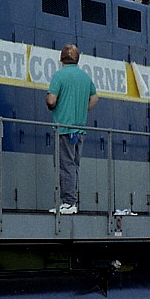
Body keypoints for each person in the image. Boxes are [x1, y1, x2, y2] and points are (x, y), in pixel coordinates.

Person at [46, 44, 98, 214]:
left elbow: (51, 100)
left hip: (64, 129)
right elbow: (95, 98)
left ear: (61, 59)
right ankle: (71, 201)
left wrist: (52, 104)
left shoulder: (59, 76)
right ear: (77, 59)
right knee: (73, 165)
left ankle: (69, 203)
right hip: (79, 129)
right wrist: (83, 110)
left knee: (64, 165)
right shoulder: (85, 77)